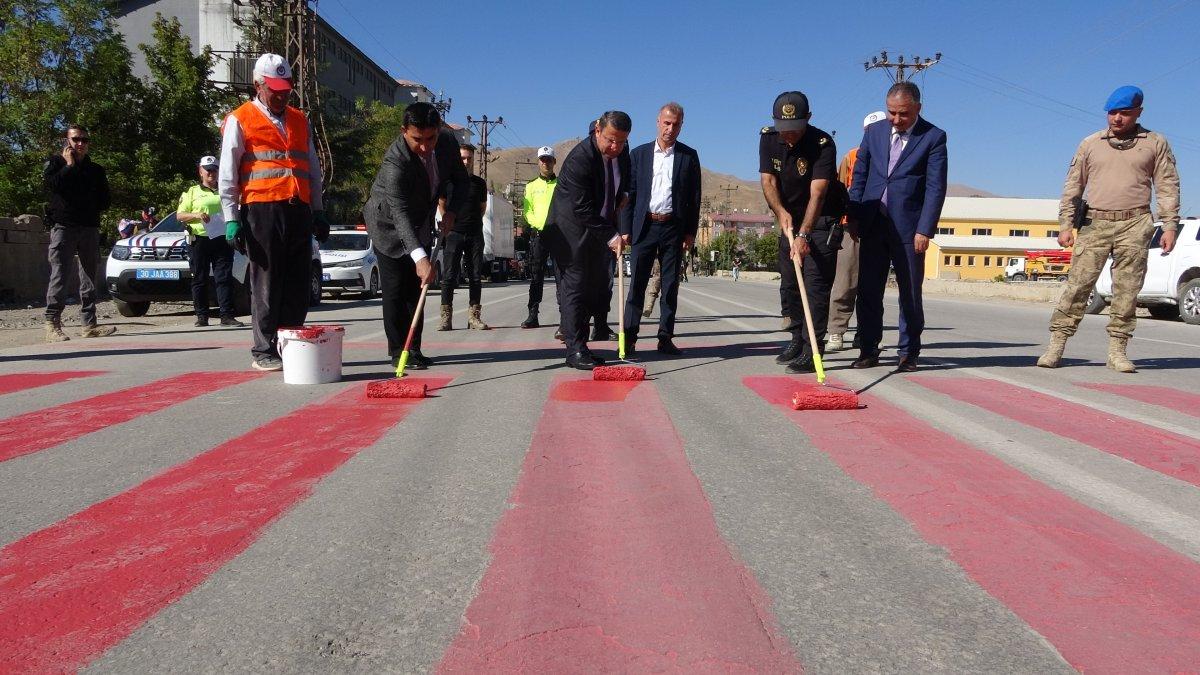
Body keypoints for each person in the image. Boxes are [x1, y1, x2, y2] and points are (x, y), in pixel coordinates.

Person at [1037, 85, 1180, 373]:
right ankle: (1056, 344)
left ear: (1138, 112)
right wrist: (1065, 224)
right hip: (1095, 223)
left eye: (1124, 113)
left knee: (1127, 290)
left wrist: (1170, 225)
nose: (1117, 119)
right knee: (1078, 286)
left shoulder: (1154, 142)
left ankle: (1118, 350)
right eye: (1112, 113)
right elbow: (1073, 186)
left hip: (1136, 222)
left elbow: (1167, 185)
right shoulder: (1090, 144)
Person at [219, 53, 330, 372]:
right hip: (262, 209)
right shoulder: (240, 118)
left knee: (297, 281)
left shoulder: (299, 118)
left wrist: (319, 210)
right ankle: (264, 348)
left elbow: (312, 168)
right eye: (275, 89)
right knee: (266, 280)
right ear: (258, 85)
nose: (282, 95)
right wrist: (231, 219)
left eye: (287, 89)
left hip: (298, 209)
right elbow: (227, 173)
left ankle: (290, 341)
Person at [848, 81, 948, 372]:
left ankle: (908, 352)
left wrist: (925, 229)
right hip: (873, 223)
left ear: (918, 108)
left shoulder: (934, 137)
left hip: (909, 229)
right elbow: (861, 175)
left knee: (909, 293)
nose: (896, 119)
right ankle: (868, 349)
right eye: (891, 112)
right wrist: (855, 215)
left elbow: (935, 187)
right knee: (868, 291)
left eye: (903, 114)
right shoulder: (874, 132)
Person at [364, 102, 469, 371]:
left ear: (439, 131)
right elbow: (398, 212)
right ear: (403, 132)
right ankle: (398, 350)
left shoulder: (445, 143)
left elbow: (462, 180)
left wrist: (452, 212)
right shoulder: (395, 161)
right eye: (417, 140)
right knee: (396, 289)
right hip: (387, 224)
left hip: (420, 221)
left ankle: (414, 349)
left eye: (430, 138)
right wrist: (421, 258)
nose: (425, 147)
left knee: (417, 289)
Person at [759, 91, 843, 374]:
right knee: (790, 285)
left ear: (808, 119)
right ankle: (796, 338)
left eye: (793, 129)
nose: (788, 136)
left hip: (819, 222)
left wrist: (805, 234)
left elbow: (817, 194)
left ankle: (812, 349)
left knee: (815, 287)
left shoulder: (822, 144)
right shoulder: (769, 138)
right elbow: (768, 180)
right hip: (789, 221)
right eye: (783, 129)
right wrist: (780, 212)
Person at [543, 111, 631, 370]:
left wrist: (623, 197)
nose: (616, 147)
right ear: (597, 131)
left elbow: (624, 184)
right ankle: (575, 351)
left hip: (597, 230)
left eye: (622, 142)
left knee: (594, 289)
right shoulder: (579, 159)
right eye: (611, 140)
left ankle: (584, 346)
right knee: (575, 290)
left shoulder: (622, 152)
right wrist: (612, 235)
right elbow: (582, 209)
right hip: (570, 233)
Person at [619, 102, 702, 356]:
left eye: (675, 124)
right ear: (657, 122)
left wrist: (690, 232)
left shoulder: (689, 156)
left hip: (673, 229)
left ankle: (665, 337)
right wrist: (625, 229)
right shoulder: (639, 155)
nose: (670, 128)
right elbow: (629, 195)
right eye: (666, 123)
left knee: (670, 285)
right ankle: (630, 338)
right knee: (637, 286)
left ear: (681, 126)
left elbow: (694, 197)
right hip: (644, 227)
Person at [42, 123, 117, 342]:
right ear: (68, 141)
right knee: (60, 274)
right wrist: (69, 166)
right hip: (64, 227)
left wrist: (89, 204)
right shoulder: (57, 163)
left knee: (89, 276)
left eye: (84, 139)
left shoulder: (95, 170)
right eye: (76, 139)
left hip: (89, 227)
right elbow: (53, 185)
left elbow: (105, 199)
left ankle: (89, 324)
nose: (81, 143)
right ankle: (52, 323)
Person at [827, 110, 885, 352]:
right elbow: (841, 190)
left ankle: (866, 335)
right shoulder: (852, 156)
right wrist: (844, 220)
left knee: (873, 286)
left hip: (880, 226)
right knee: (845, 281)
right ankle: (836, 332)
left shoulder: (893, 155)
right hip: (852, 225)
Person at [178, 155, 244, 328]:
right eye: (207, 170)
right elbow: (180, 215)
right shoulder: (192, 192)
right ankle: (202, 316)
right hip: (199, 239)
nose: (211, 173)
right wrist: (196, 215)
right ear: (200, 172)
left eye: (214, 169)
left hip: (222, 238)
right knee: (199, 278)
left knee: (223, 277)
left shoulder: (227, 190)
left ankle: (226, 316)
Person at [438, 143, 490, 331]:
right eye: (463, 158)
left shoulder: (479, 183)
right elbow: (442, 204)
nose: (466, 161)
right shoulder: (448, 182)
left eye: (469, 158)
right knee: (449, 276)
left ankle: (474, 317)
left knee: (475, 277)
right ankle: (446, 318)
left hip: (475, 234)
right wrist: (449, 223)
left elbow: (482, 209)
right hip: (453, 234)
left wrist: (471, 222)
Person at [520, 146, 558, 329]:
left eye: (549, 159)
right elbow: (528, 212)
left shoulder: (561, 184)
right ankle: (532, 315)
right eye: (543, 160)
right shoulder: (531, 186)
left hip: (559, 236)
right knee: (536, 277)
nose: (546, 163)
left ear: (554, 162)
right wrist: (540, 226)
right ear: (538, 162)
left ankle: (565, 318)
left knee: (562, 277)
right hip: (539, 236)